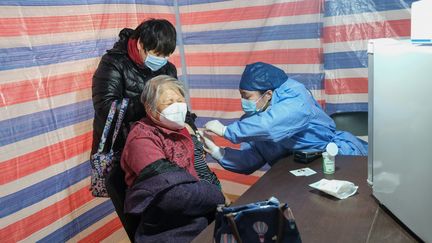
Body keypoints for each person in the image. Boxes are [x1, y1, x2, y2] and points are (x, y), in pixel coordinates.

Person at [201, 62, 368, 174]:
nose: (243, 102)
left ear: (268, 94)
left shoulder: (297, 99)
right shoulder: (255, 119)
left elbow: (270, 126)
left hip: (338, 160)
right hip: (299, 172)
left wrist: (226, 131)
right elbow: (250, 160)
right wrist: (218, 152)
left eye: (247, 96)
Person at [121, 75, 224, 242]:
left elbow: (199, 169)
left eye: (180, 100)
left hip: (199, 213)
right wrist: (217, 196)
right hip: (168, 227)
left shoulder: (180, 128)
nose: (177, 107)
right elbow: (173, 195)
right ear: (150, 109)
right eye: (169, 103)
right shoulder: (141, 140)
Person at [91, 18, 197, 155]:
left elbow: (178, 102)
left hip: (160, 144)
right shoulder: (114, 63)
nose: (162, 60)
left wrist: (192, 129)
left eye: (166, 55)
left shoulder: (168, 69)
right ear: (140, 44)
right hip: (120, 147)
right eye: (157, 54)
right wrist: (151, 102)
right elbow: (105, 108)